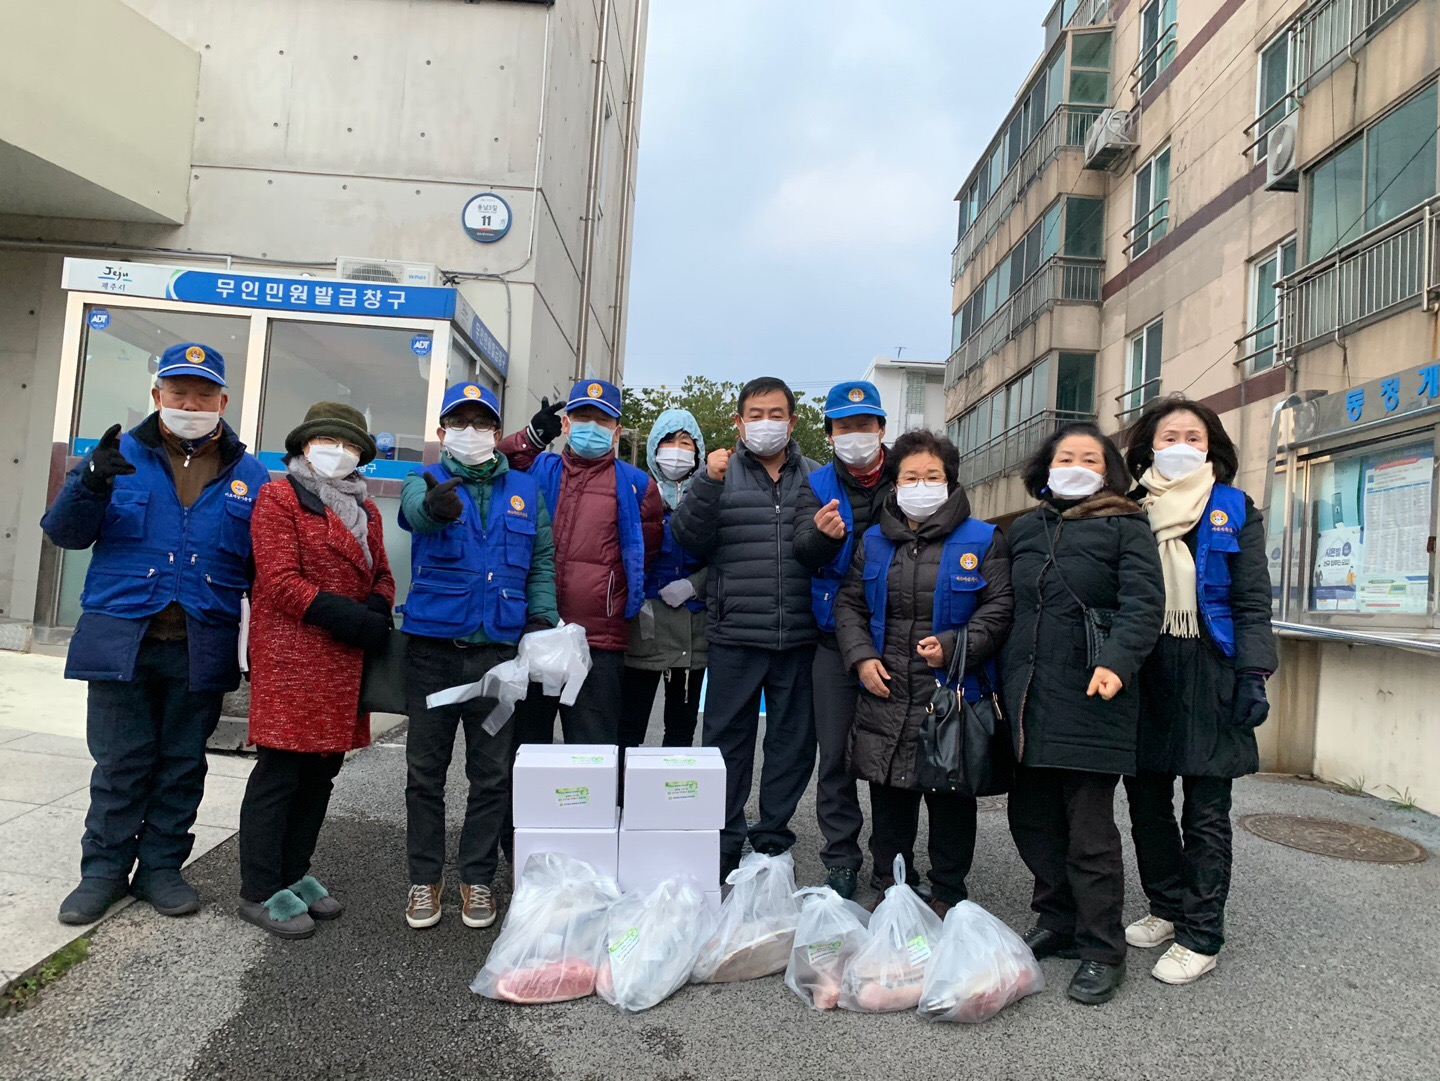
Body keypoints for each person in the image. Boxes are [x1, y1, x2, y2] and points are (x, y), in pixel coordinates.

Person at [41, 343, 270, 925]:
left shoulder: (249, 473)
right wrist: (89, 483)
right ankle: (103, 873)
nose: (189, 403)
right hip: (124, 638)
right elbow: (64, 533)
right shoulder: (116, 456)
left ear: (223, 400)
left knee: (183, 763)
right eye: (178, 392)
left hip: (202, 640)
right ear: (156, 396)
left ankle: (162, 869)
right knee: (120, 762)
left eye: (202, 393)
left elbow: (263, 566)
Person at [1000, 422, 1163, 1005]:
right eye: (1064, 456)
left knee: (1089, 832)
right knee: (1032, 818)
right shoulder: (1024, 529)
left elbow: (1145, 605)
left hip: (1095, 695)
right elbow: (1003, 606)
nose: (1074, 464)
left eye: (1088, 457)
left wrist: (1117, 663)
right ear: (1045, 467)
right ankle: (1058, 919)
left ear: (1107, 470)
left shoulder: (1126, 526)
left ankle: (1102, 948)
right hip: (1028, 697)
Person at [1121, 398, 1277, 986]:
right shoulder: (1130, 507)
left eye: (1194, 434)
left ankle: (1202, 933)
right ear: (1149, 446)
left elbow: (1252, 602)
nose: (1182, 443)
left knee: (1207, 808)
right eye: (1170, 435)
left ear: (1210, 445)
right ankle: (1166, 905)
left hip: (1211, 663)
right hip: (1144, 664)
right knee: (1147, 801)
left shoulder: (1235, 508)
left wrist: (1253, 674)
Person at [833, 430, 1013, 917]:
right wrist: (861, 657)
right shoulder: (872, 541)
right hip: (886, 689)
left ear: (950, 482)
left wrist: (957, 646)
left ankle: (948, 892)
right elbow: (848, 604)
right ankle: (891, 884)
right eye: (910, 476)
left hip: (951, 692)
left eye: (932, 476)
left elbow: (999, 609)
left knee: (951, 798)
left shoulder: (982, 538)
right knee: (889, 794)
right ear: (894, 484)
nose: (921, 484)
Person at [399, 382, 558, 930]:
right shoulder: (426, 480)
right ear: (443, 433)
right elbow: (415, 515)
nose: (471, 432)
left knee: (490, 775)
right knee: (425, 773)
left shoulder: (525, 487)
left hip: (498, 660)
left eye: (481, 423)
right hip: (433, 654)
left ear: (495, 432)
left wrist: (541, 617)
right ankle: (425, 879)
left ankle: (476, 879)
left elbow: (541, 559)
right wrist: (435, 508)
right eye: (459, 423)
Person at [237, 403, 394, 939]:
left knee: (322, 772)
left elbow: (383, 572)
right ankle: (259, 890)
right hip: (293, 653)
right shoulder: (280, 495)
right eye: (329, 440)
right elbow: (278, 580)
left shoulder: (367, 511)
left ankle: (295, 873)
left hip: (343, 658)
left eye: (351, 445)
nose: (340, 451)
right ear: (304, 445)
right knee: (280, 772)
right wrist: (345, 615)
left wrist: (377, 606)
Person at [670, 376, 824, 878]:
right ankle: (723, 837)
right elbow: (688, 540)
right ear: (738, 422)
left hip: (800, 634)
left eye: (775, 414)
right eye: (754, 415)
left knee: (791, 744)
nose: (765, 424)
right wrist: (707, 483)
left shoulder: (817, 477)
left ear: (792, 420)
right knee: (724, 743)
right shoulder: (718, 473)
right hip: (735, 633)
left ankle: (773, 838)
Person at [498, 380, 663, 744]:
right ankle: (521, 806)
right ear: (567, 424)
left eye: (602, 420)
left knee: (591, 757)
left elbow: (645, 558)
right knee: (524, 750)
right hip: (534, 632)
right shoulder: (540, 467)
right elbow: (493, 464)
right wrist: (531, 437)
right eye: (582, 416)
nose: (592, 426)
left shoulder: (638, 485)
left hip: (599, 642)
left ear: (617, 431)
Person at [792, 380, 894, 899]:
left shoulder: (911, 476)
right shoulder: (815, 483)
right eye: (844, 427)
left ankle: (891, 861)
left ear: (881, 428)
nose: (855, 435)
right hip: (832, 635)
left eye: (864, 425)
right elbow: (799, 552)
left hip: (898, 637)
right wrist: (819, 536)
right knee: (833, 754)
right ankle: (840, 857)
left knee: (891, 753)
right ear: (830, 433)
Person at [617, 409, 708, 750]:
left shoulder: (711, 495)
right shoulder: (636, 491)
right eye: (668, 441)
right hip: (644, 625)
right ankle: (624, 798)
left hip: (693, 630)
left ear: (698, 450)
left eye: (686, 442)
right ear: (654, 447)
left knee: (681, 729)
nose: (677, 449)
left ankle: (672, 800)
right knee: (629, 726)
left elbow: (727, 557)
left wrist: (694, 585)